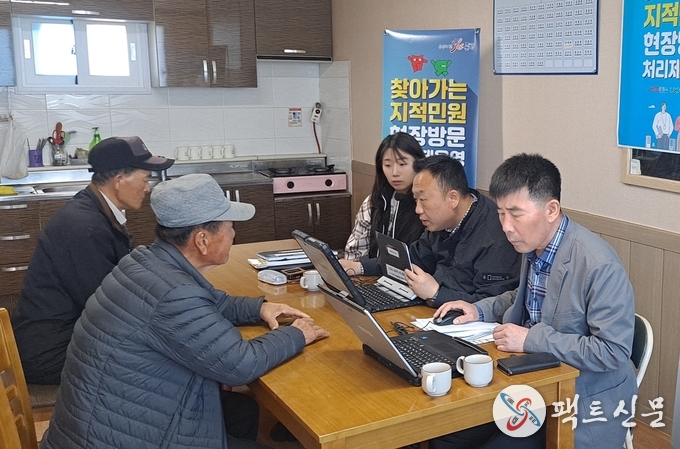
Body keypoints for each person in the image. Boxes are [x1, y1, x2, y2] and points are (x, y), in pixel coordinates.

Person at [41, 174, 330, 449]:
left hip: (103, 425)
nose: (234, 234)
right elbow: (239, 365)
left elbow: (210, 302)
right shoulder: (174, 294)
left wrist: (260, 307)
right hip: (124, 437)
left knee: (242, 411)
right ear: (202, 240)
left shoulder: (145, 261)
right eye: (229, 226)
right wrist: (297, 334)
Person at [431, 154, 637, 449]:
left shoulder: (598, 264)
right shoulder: (535, 244)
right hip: (531, 384)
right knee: (446, 435)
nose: (506, 226)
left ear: (551, 210)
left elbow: (612, 352)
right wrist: (478, 309)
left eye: (516, 214)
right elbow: (523, 297)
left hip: (581, 399)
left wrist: (530, 339)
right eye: (501, 213)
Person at [11, 136, 174, 385]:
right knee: (166, 364)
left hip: (73, 333)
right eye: (145, 179)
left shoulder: (95, 210)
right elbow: (107, 306)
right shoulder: (84, 227)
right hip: (52, 351)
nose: (147, 188)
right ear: (119, 180)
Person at [399, 155, 521, 306]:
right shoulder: (440, 222)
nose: (418, 210)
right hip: (438, 308)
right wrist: (369, 266)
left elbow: (493, 305)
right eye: (415, 200)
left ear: (453, 198)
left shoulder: (494, 236)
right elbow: (414, 259)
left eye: (423, 200)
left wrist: (436, 293)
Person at [340, 132, 425, 274]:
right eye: (387, 165)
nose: (395, 172)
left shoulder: (426, 207)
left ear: (419, 164)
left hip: (411, 280)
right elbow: (355, 252)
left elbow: (419, 259)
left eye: (402, 164)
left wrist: (362, 267)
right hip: (371, 276)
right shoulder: (374, 201)